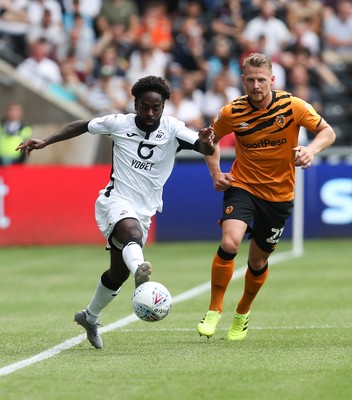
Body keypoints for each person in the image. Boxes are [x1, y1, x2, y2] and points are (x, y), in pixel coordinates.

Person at [16, 75, 215, 349]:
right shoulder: (119, 123)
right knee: (130, 232)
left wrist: (206, 141)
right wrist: (46, 141)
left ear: (164, 106)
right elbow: (82, 125)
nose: (149, 113)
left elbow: (205, 147)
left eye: (156, 107)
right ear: (135, 103)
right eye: (144, 106)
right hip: (115, 200)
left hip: (145, 210)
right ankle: (142, 276)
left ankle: (89, 316)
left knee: (116, 275)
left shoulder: (173, 129)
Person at [197, 53, 336, 341]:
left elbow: (327, 131)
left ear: (272, 80)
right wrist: (215, 174)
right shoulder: (231, 112)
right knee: (229, 241)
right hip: (243, 185)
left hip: (279, 195)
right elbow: (209, 140)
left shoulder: (292, 105)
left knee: (257, 262)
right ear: (243, 80)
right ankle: (214, 310)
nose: (256, 85)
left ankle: (242, 313)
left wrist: (311, 150)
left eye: (262, 79)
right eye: (250, 80)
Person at [0, 102, 32, 166]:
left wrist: (21, 161)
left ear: (20, 113)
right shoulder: (1, 127)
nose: (12, 113)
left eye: (15, 111)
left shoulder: (26, 129)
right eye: (11, 110)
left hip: (17, 163)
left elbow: (27, 148)